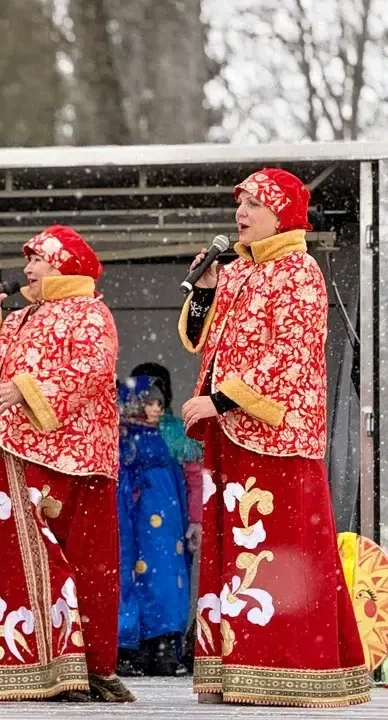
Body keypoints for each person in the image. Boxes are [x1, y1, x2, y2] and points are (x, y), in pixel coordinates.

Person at [179, 168, 370, 707]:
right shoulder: (237, 271)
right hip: (232, 439)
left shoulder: (299, 271)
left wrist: (219, 400)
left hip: (277, 440)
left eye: (255, 205)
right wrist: (206, 291)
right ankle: (233, 669)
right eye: (240, 203)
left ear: (283, 213)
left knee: (280, 553)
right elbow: (203, 341)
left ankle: (290, 667)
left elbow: (287, 356)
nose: (242, 213)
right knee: (234, 551)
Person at [0, 225, 131, 702]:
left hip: (71, 458)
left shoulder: (90, 312)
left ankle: (78, 665)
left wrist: (25, 391)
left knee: (79, 562)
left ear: (64, 265)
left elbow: (89, 370)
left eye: (38, 260)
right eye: (28, 260)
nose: (28, 269)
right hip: (21, 454)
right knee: (20, 558)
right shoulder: (25, 316)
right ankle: (34, 662)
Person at [115, 376, 191, 677]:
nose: (156, 409)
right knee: (137, 576)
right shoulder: (122, 439)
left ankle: (164, 649)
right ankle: (135, 648)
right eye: (149, 402)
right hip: (137, 516)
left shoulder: (167, 436)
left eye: (160, 403)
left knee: (166, 578)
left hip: (166, 516)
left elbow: (188, 477)